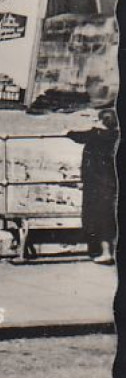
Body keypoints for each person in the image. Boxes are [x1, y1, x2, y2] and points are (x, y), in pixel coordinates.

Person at [67, 107, 118, 265]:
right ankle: (107, 251)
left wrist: (68, 132)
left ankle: (105, 252)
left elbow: (78, 136)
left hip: (96, 183)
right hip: (110, 181)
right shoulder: (115, 136)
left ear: (101, 122)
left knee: (99, 217)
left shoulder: (96, 135)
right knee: (108, 216)